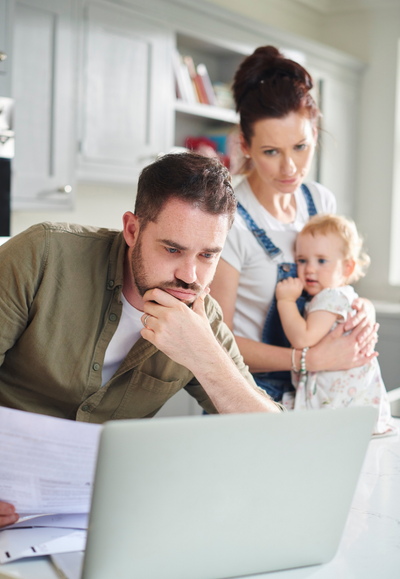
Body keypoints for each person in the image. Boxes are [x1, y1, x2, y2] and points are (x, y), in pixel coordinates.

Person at [0, 152, 282, 528]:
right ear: (132, 230)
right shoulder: (43, 256)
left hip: (96, 519)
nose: (189, 275)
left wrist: (204, 356)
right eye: (172, 249)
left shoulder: (203, 319)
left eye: (208, 255)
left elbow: (278, 443)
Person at [210, 45, 378, 405]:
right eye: (272, 152)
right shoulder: (228, 219)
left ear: (315, 134)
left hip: (322, 389)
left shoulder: (320, 202)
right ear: (246, 145)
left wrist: (362, 310)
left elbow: (337, 285)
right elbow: (215, 338)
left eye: (300, 146)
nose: (290, 168)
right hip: (253, 391)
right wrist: (306, 358)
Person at [276, 214, 394, 435]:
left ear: (347, 268)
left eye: (321, 260)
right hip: (351, 395)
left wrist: (286, 301)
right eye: (302, 260)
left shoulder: (329, 297)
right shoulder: (343, 295)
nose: (309, 269)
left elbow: (302, 338)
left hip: (336, 397)